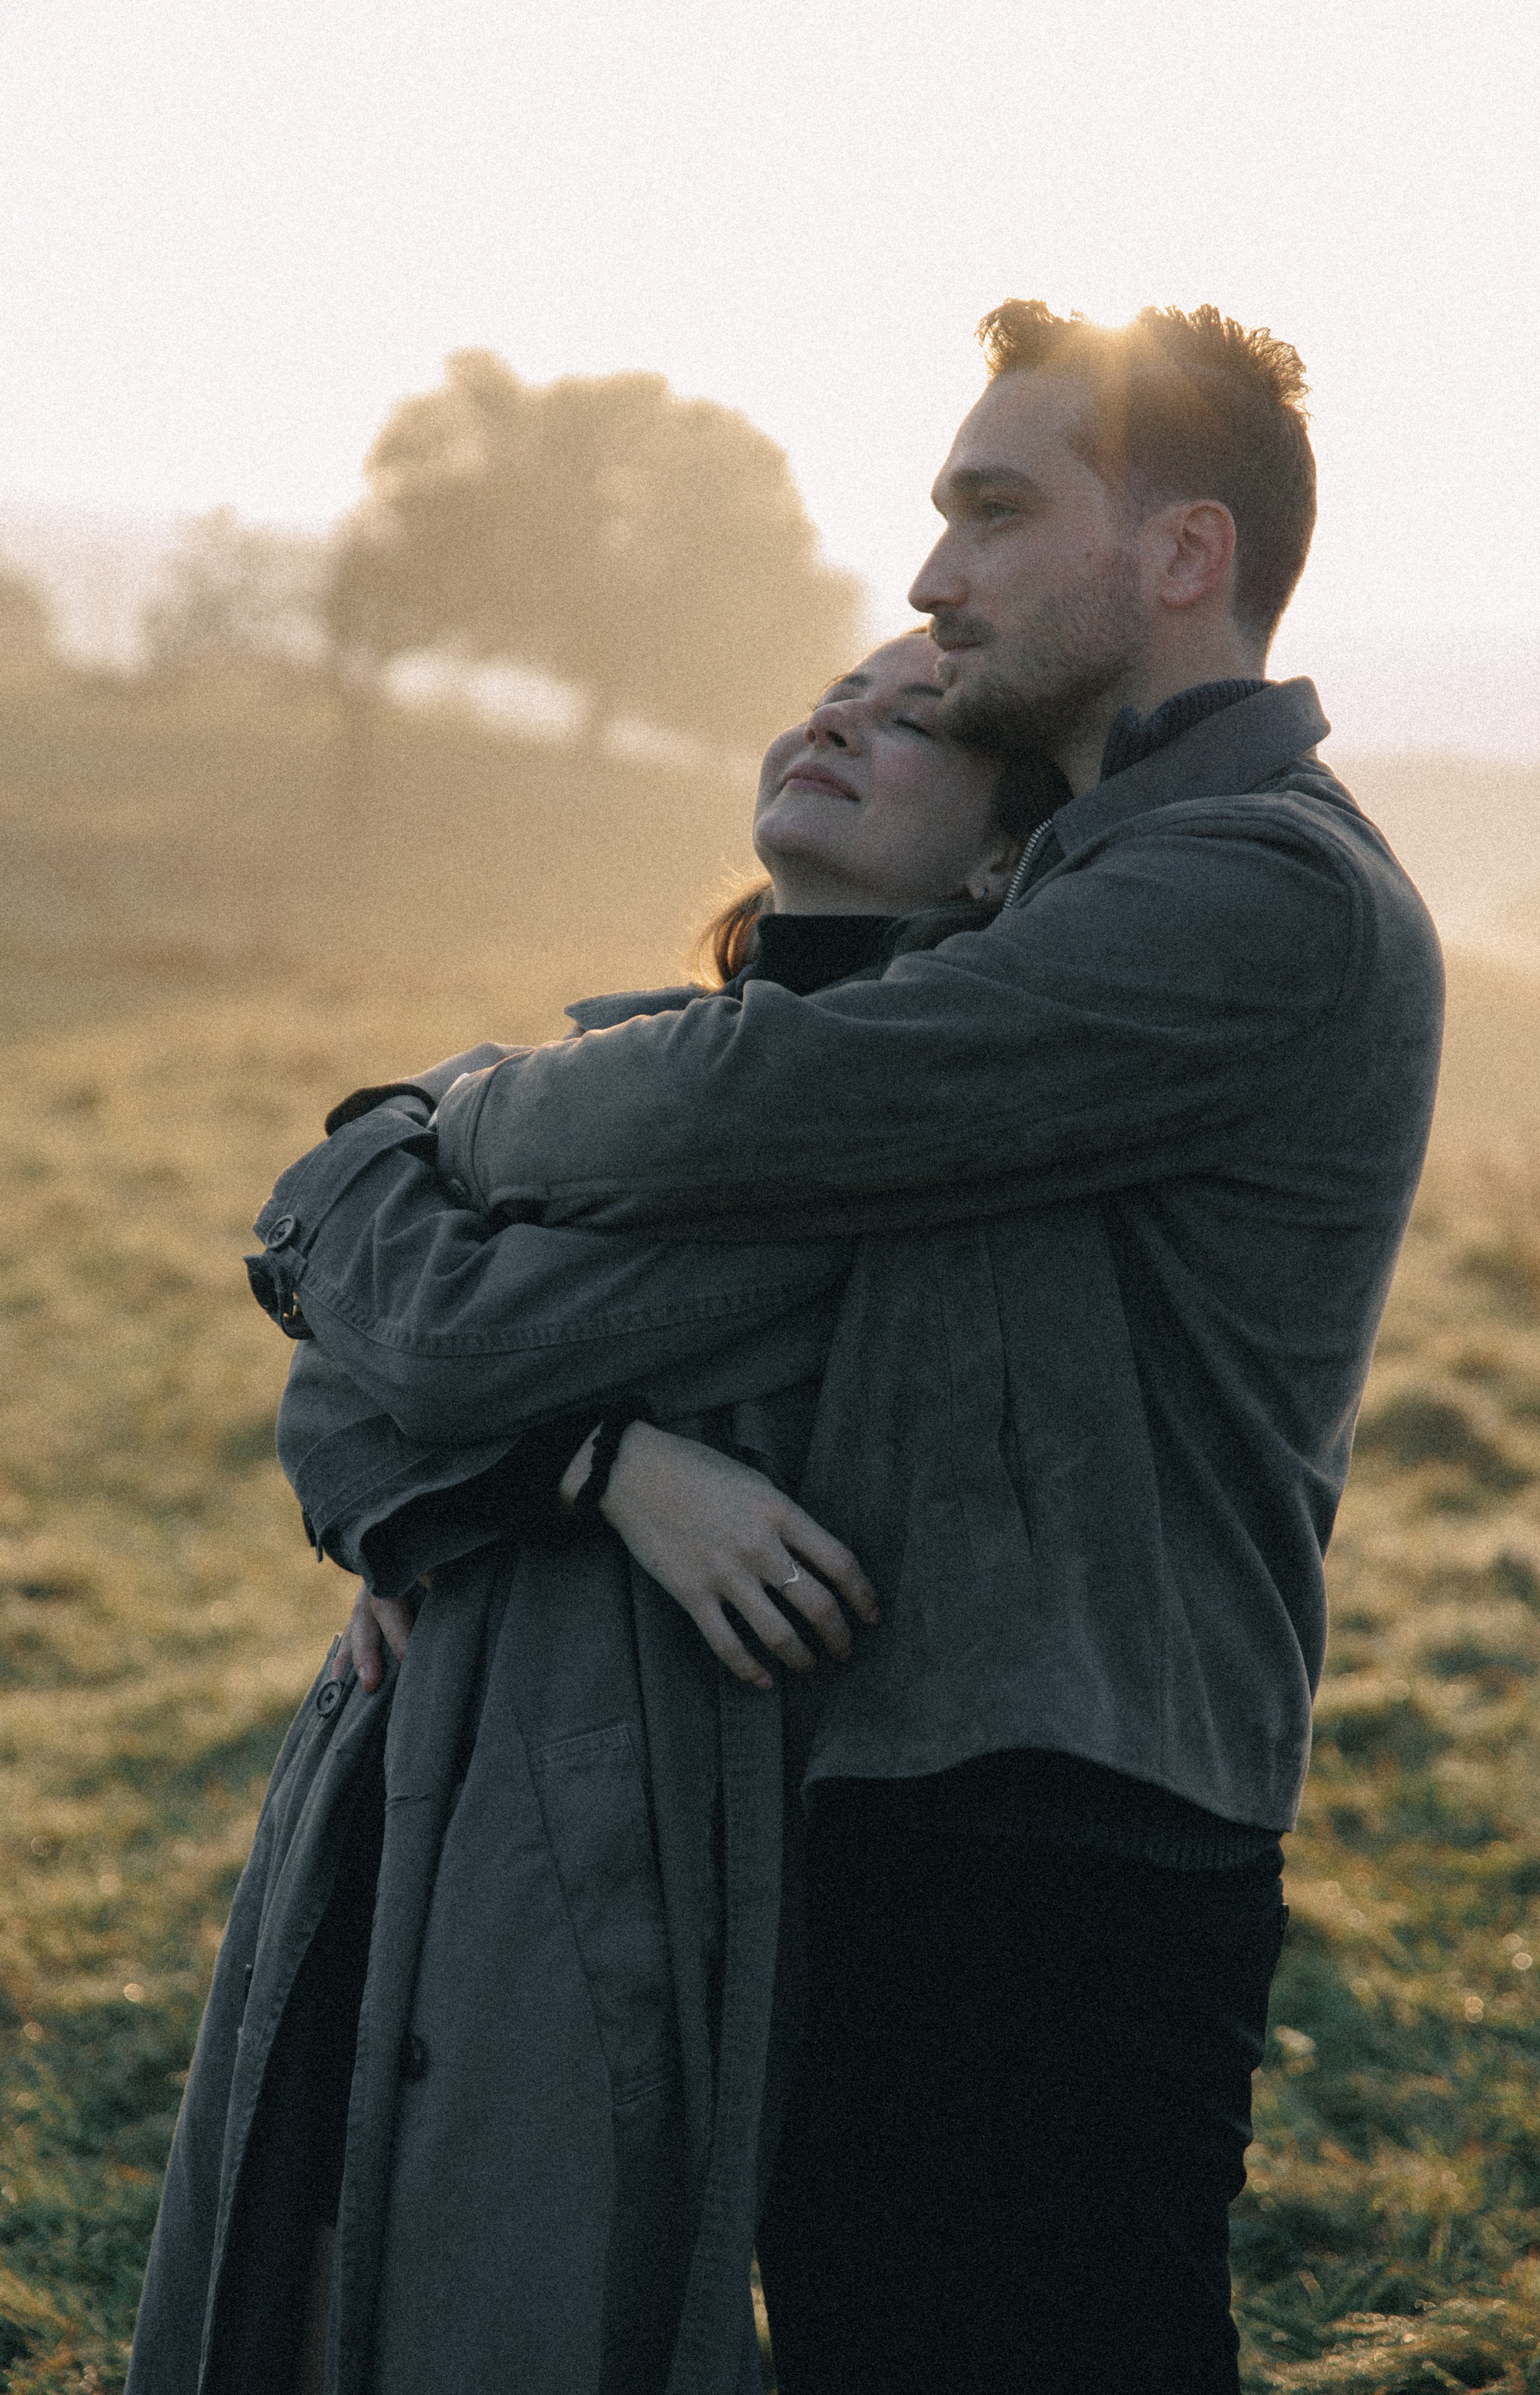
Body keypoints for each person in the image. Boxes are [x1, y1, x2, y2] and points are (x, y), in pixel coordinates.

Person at [418, 301, 1447, 2393]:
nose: (931, 575)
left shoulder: (1260, 895)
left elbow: (754, 1104)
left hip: (1073, 1846)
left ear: (1183, 553)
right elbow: (531, 1285)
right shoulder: (1058, 888)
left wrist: (455, 1114)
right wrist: (556, 1450)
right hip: (881, 1803)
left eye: (993, 513)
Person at [126, 636, 1061, 2395]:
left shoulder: (877, 1130)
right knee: (305, 2249)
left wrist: (389, 1192)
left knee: (510, 2294)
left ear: (1003, 859)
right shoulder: (622, 1070)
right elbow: (341, 1382)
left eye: (915, 722)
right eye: (836, 692)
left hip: (617, 1784)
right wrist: (590, 1469)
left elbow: (427, 1336)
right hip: (414, 1723)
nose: (838, 718)